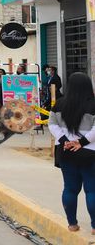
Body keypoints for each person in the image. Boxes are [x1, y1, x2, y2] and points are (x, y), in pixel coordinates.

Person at [48, 72, 95, 236]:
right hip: (90, 153)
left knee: (70, 189)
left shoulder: (59, 104)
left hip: (66, 151)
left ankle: (72, 224)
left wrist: (65, 141)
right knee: (92, 190)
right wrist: (81, 142)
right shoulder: (93, 104)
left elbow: (52, 124)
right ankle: (94, 226)